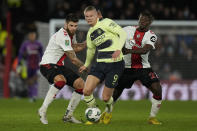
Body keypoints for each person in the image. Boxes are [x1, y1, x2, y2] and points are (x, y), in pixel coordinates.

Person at [112, 11, 162, 125]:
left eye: (145, 20)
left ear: (149, 22)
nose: (142, 22)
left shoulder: (152, 35)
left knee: (157, 89)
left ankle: (152, 118)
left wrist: (128, 50)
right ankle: (107, 113)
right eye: (140, 19)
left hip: (143, 68)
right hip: (126, 67)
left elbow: (145, 50)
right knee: (116, 92)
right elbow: (115, 35)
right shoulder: (127, 29)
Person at [79, 6, 127, 124]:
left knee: (106, 98)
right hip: (100, 64)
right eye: (87, 16)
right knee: (86, 91)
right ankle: (94, 115)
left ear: (97, 15)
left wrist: (119, 49)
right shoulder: (90, 33)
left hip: (115, 64)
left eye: (91, 16)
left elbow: (122, 33)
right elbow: (90, 51)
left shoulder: (106, 23)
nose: (89, 18)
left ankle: (109, 110)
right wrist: (86, 65)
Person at [38, 13, 86, 124]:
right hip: (47, 65)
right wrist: (84, 66)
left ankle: (68, 116)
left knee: (80, 84)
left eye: (75, 26)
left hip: (58, 66)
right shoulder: (62, 35)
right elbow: (73, 58)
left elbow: (73, 48)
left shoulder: (71, 35)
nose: (74, 28)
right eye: (71, 26)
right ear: (66, 25)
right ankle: (42, 110)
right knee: (61, 81)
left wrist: (84, 44)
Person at [17, 30, 43, 101]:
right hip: (27, 66)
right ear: (28, 36)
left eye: (33, 35)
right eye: (31, 35)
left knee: (34, 80)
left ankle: (34, 95)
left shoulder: (39, 44)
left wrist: (42, 64)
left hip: (36, 66)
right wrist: (19, 65)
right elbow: (20, 55)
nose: (32, 37)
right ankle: (31, 96)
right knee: (28, 81)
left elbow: (42, 55)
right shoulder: (25, 44)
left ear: (35, 36)